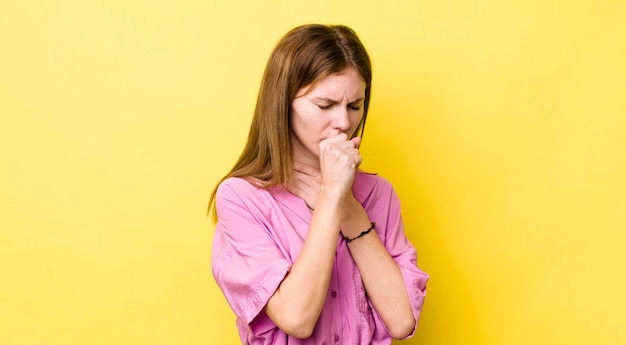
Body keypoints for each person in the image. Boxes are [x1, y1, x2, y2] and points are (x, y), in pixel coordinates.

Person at [209, 24, 429, 344]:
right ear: (283, 103)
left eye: (355, 105)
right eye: (325, 105)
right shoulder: (241, 197)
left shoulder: (379, 194)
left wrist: (349, 209)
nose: (343, 123)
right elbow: (297, 318)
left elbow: (401, 320)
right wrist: (330, 196)